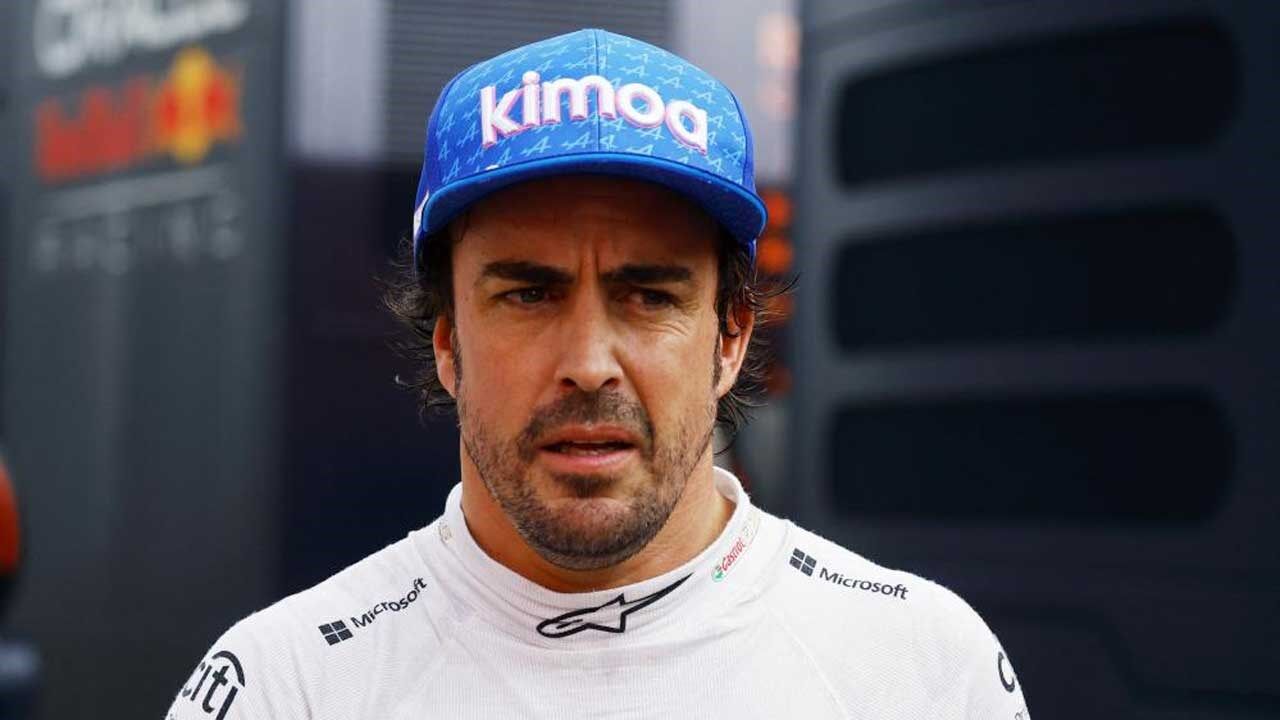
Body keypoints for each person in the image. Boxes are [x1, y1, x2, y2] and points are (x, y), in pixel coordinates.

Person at [168, 29, 1031, 719]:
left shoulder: (919, 668)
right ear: (447, 342)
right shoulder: (287, 686)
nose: (588, 365)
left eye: (649, 296)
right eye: (529, 294)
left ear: (731, 337)